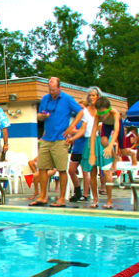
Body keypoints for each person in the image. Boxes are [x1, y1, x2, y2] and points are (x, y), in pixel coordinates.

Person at [33, 77, 81, 207]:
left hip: (60, 139)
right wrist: (42, 116)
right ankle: (42, 196)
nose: (52, 92)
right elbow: (38, 116)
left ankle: (61, 198)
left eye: (54, 89)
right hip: (46, 139)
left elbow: (81, 112)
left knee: (61, 169)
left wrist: (72, 128)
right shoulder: (45, 99)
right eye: (50, 89)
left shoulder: (67, 99)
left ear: (59, 88)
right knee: (42, 168)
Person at [87, 96, 123, 209]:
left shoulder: (114, 113)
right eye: (99, 113)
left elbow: (116, 131)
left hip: (112, 136)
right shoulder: (98, 115)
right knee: (92, 171)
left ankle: (109, 200)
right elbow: (93, 134)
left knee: (107, 172)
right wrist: (92, 153)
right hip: (98, 141)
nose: (101, 115)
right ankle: (95, 199)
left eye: (103, 113)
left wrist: (110, 146)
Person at [64, 100, 92, 203]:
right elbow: (71, 131)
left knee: (85, 172)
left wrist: (75, 131)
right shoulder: (77, 119)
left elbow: (85, 133)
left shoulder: (88, 119)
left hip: (85, 148)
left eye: (81, 107)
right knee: (71, 170)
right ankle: (77, 190)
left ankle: (85, 194)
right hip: (76, 148)